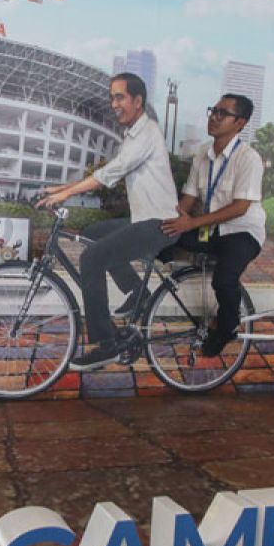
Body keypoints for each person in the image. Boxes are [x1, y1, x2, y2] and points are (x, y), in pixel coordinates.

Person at [36, 72, 181, 370]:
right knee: (94, 233)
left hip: (161, 224)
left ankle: (106, 345)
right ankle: (136, 292)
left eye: (120, 97)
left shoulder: (148, 132)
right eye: (111, 96)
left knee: (92, 258)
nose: (113, 103)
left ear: (137, 101)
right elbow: (110, 171)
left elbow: (110, 173)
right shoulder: (134, 134)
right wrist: (61, 190)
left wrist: (64, 194)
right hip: (144, 218)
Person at [162, 94, 266, 357]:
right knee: (163, 236)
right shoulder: (202, 154)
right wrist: (172, 221)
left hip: (243, 231)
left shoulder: (249, 158)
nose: (214, 117)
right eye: (213, 110)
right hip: (213, 229)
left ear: (240, 123)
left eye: (223, 113)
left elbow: (240, 207)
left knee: (224, 280)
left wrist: (191, 222)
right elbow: (189, 196)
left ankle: (228, 326)